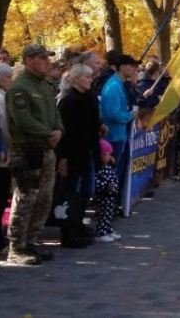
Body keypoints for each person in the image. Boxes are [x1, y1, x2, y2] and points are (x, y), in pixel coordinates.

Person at [6, 44, 64, 266]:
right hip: (28, 150)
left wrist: (58, 131)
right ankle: (17, 247)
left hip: (47, 149)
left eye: (48, 58)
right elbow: (23, 119)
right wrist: (47, 133)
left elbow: (55, 113)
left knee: (44, 198)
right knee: (26, 198)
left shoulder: (46, 86)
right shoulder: (19, 87)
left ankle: (31, 240)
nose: (47, 62)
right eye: (42, 58)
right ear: (29, 60)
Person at [57, 64, 101, 248]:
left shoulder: (88, 98)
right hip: (72, 153)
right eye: (87, 77)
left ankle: (78, 224)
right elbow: (66, 132)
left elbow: (91, 124)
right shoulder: (68, 101)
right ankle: (68, 231)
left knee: (85, 192)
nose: (91, 80)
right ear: (76, 79)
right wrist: (64, 157)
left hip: (87, 151)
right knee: (70, 193)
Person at [100, 54, 137, 189]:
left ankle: (113, 204)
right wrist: (131, 115)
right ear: (122, 67)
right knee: (112, 173)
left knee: (116, 172)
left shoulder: (118, 84)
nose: (134, 69)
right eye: (131, 66)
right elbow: (113, 114)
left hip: (119, 134)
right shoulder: (114, 86)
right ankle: (109, 205)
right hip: (114, 136)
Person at [0, 62, 14, 251]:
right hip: (3, 154)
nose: (11, 81)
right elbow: (2, 127)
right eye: (8, 78)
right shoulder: (0, 98)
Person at [94, 139, 121, 243]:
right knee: (104, 214)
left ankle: (108, 230)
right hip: (104, 195)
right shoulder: (99, 168)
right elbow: (96, 181)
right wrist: (105, 186)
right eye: (107, 154)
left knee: (109, 214)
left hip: (111, 195)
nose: (109, 157)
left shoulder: (107, 166)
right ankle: (101, 232)